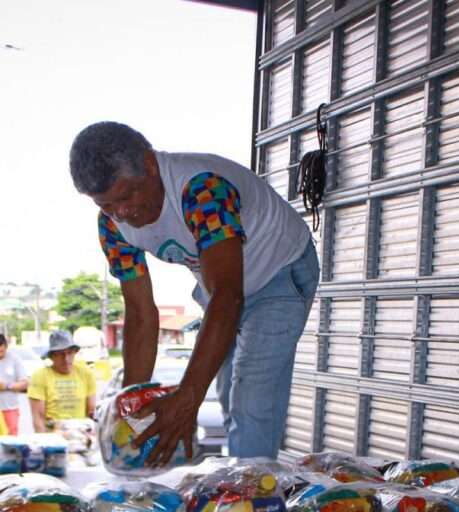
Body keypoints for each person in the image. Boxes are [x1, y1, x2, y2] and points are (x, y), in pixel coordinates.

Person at [68, 121, 318, 464]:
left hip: (280, 271)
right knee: (229, 398)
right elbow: (141, 315)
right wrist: (132, 405)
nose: (121, 213)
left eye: (127, 196)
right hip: (221, 288)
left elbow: (228, 297)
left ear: (151, 165)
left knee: (251, 400)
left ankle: (251, 507)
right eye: (107, 205)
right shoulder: (111, 225)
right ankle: (242, 484)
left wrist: (187, 399)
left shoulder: (202, 189)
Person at [27, 330, 98, 432]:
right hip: (53, 436)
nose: (66, 359)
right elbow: (38, 418)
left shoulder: (85, 373)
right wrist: (43, 441)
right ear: (51, 356)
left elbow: (91, 411)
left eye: (69, 353)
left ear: (75, 352)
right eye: (60, 354)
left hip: (80, 434)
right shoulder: (40, 376)